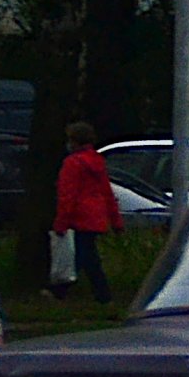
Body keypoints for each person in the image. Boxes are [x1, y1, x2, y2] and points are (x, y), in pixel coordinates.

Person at [51, 121, 122, 303]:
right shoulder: (97, 162)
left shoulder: (72, 163)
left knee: (82, 258)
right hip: (96, 217)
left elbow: (68, 195)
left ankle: (60, 290)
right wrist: (116, 221)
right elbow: (107, 192)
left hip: (78, 217)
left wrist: (61, 222)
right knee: (87, 256)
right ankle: (100, 295)